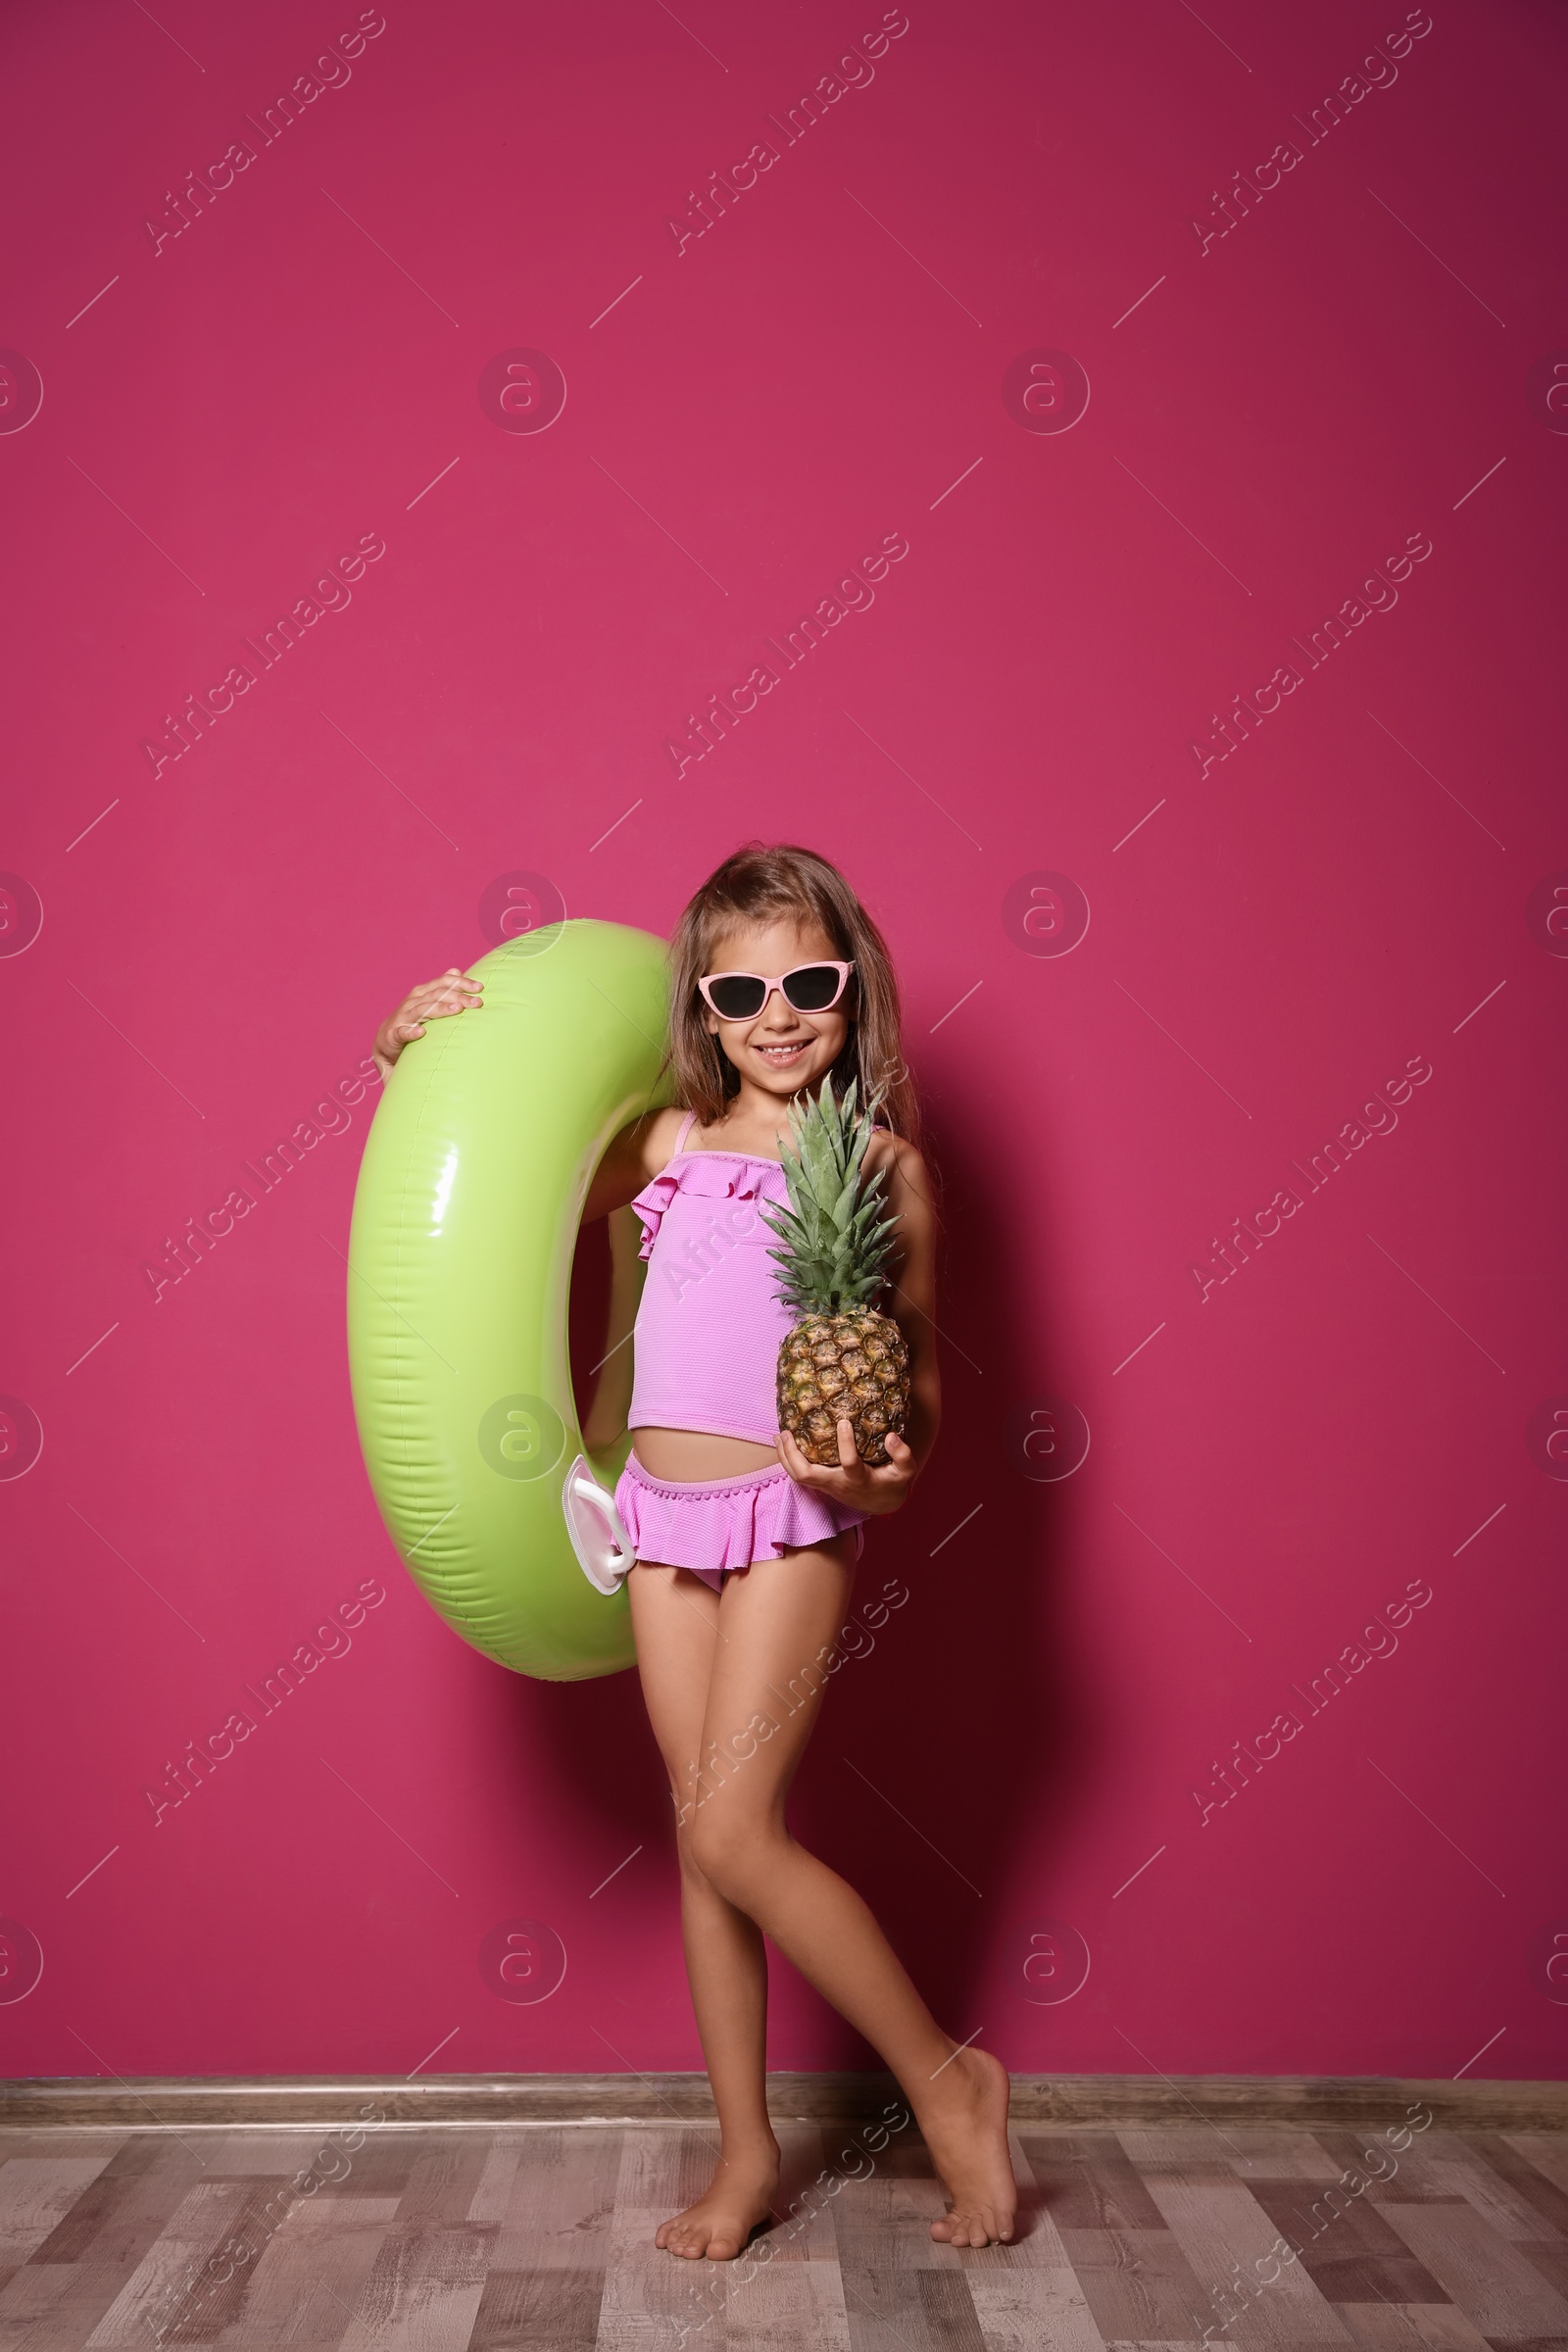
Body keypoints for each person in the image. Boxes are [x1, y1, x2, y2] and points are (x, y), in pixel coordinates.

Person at [371, 842, 1015, 2259]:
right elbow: (502, 1192)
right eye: (742, 990)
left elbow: (916, 1391)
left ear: (854, 988)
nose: (777, 1015)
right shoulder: (669, 1146)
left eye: (808, 982)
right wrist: (410, 1053)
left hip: (791, 1519)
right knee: (701, 1843)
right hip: (661, 1519)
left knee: (738, 1827)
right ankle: (746, 2156)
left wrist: (886, 1466)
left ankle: (949, 2085)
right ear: (703, 1013)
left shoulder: (889, 1171)